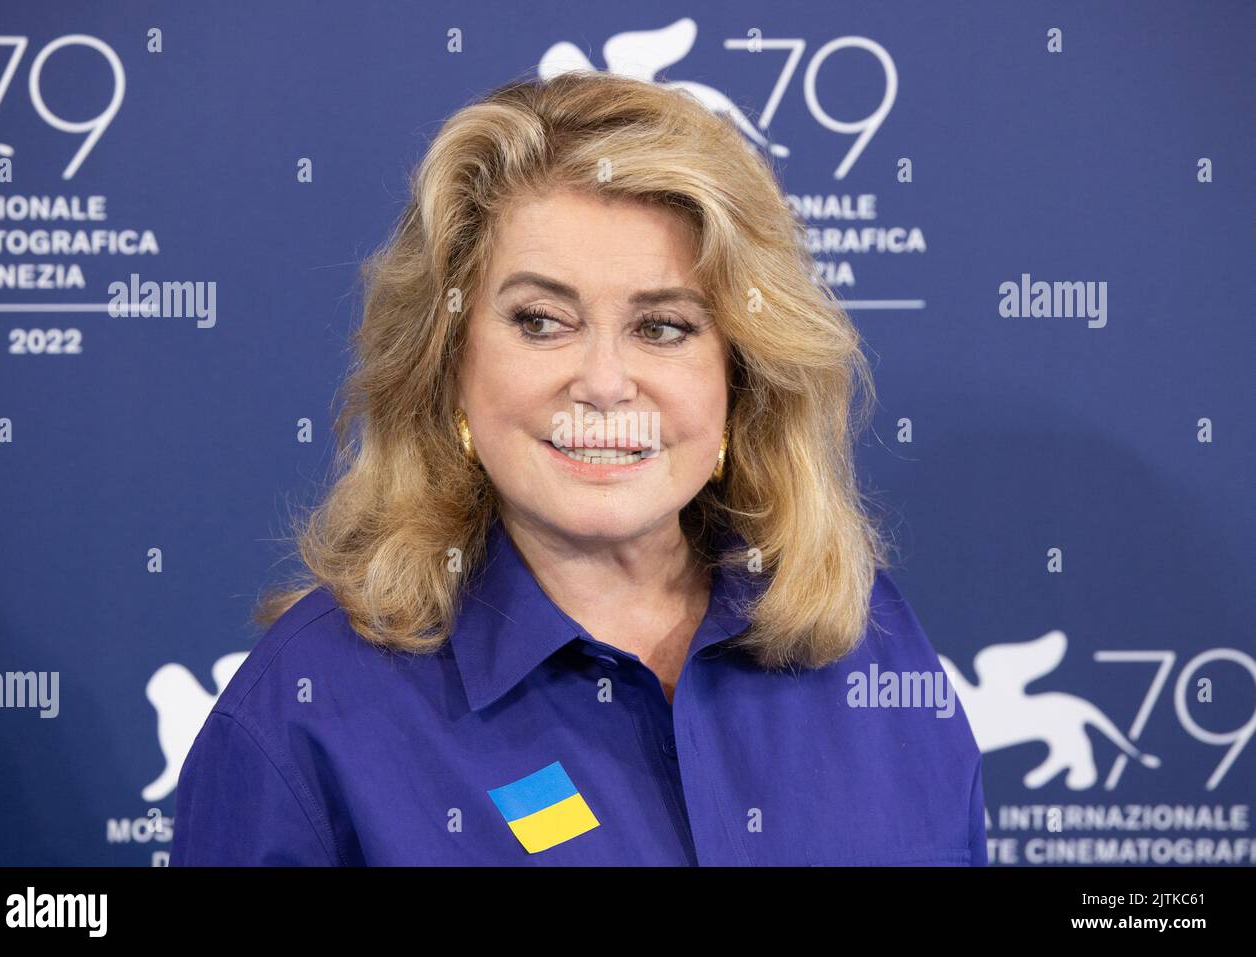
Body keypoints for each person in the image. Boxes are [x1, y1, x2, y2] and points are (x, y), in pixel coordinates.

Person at [169, 69, 987, 866]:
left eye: (663, 327)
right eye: (542, 321)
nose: (602, 383)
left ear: (742, 374)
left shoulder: (867, 639)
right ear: (449, 362)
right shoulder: (309, 710)